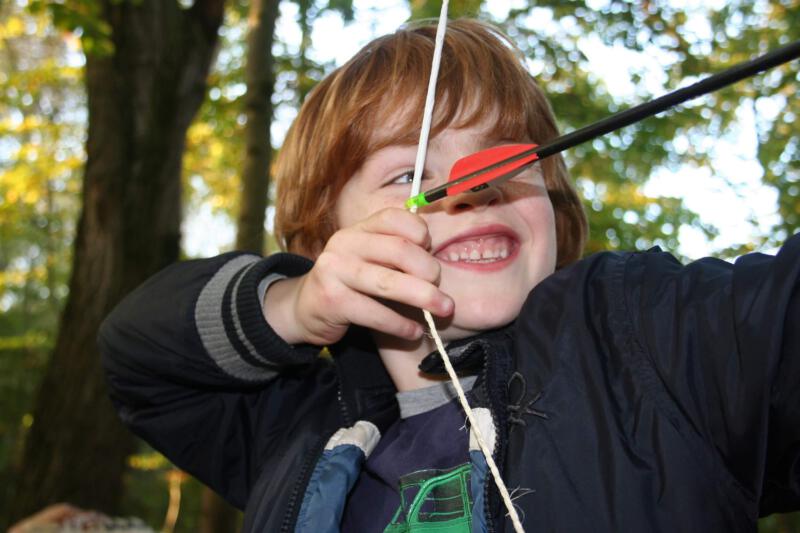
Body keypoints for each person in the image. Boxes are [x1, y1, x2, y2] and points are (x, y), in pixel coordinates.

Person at [99, 18, 800, 533]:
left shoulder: (646, 343)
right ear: (324, 241)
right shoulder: (296, 428)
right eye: (409, 174)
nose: (473, 185)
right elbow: (134, 356)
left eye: (506, 157)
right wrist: (291, 304)